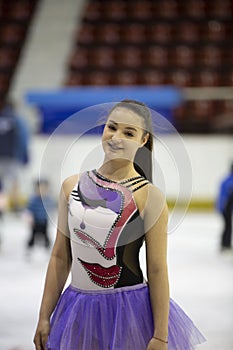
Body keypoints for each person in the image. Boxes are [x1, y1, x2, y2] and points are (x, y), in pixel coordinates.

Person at [33, 100, 205, 350]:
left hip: (128, 312)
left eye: (128, 132)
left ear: (143, 140)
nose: (116, 137)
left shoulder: (149, 196)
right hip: (77, 309)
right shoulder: (71, 186)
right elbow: (60, 257)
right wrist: (43, 316)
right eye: (111, 127)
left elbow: (157, 269)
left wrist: (160, 335)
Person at [0, 100, 30, 211]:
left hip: (7, 157)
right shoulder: (16, 120)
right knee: (13, 183)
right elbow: (22, 138)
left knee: (5, 185)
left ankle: (5, 208)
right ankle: (14, 207)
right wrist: (24, 156)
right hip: (12, 158)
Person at [26, 179, 54, 251]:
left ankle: (48, 248)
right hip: (35, 222)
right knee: (33, 236)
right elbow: (29, 210)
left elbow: (51, 208)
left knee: (46, 235)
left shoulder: (48, 199)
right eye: (39, 189)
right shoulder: (33, 199)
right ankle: (29, 248)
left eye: (43, 189)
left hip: (44, 222)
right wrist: (30, 219)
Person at [216, 162, 233, 250]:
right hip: (226, 208)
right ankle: (225, 244)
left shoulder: (226, 179)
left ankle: (225, 243)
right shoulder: (230, 181)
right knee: (228, 226)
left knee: (227, 225)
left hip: (223, 207)